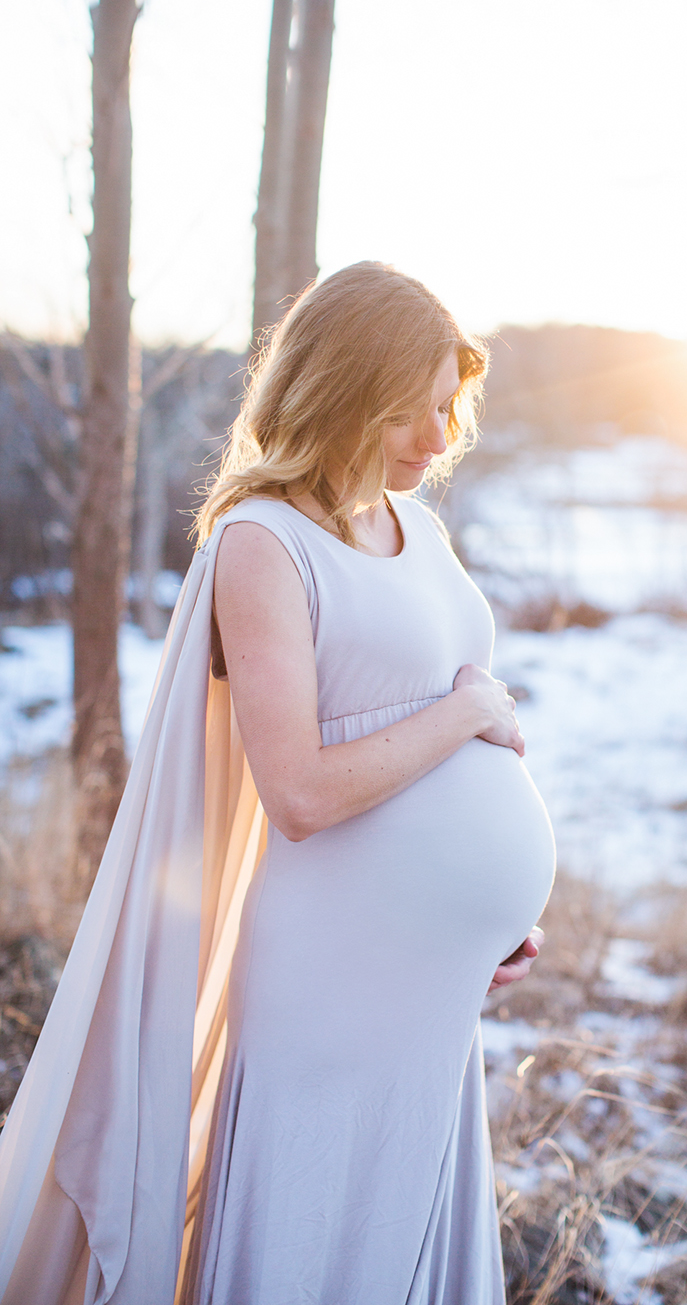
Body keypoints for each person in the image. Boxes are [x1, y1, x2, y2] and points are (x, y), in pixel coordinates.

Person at [0, 262, 555, 1305]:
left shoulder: (420, 531)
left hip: (423, 985)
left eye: (449, 408)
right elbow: (296, 790)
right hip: (326, 981)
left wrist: (489, 925)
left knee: (406, 1233)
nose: (440, 440)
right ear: (344, 389)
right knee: (316, 1245)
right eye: (414, 411)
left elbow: (426, 732)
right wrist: (468, 716)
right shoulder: (261, 543)